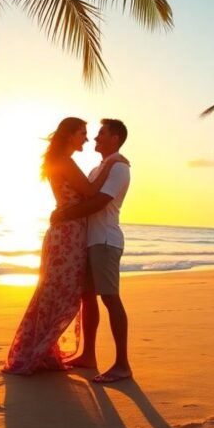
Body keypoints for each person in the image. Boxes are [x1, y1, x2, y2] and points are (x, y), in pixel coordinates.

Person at [3, 118, 125, 375]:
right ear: (69, 135)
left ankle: (48, 349)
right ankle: (40, 348)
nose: (89, 138)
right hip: (69, 234)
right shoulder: (69, 162)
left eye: (97, 133)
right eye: (83, 133)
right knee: (60, 292)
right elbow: (91, 193)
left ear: (115, 139)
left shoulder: (76, 163)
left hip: (81, 235)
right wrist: (111, 161)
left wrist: (111, 162)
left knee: (62, 292)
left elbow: (96, 198)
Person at [53, 119, 132, 384]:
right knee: (88, 298)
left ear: (115, 139)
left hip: (106, 241)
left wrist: (64, 214)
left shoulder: (119, 167)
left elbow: (98, 203)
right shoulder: (99, 167)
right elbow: (85, 195)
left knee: (110, 298)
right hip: (90, 241)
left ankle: (122, 364)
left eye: (101, 134)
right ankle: (88, 355)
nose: (95, 138)